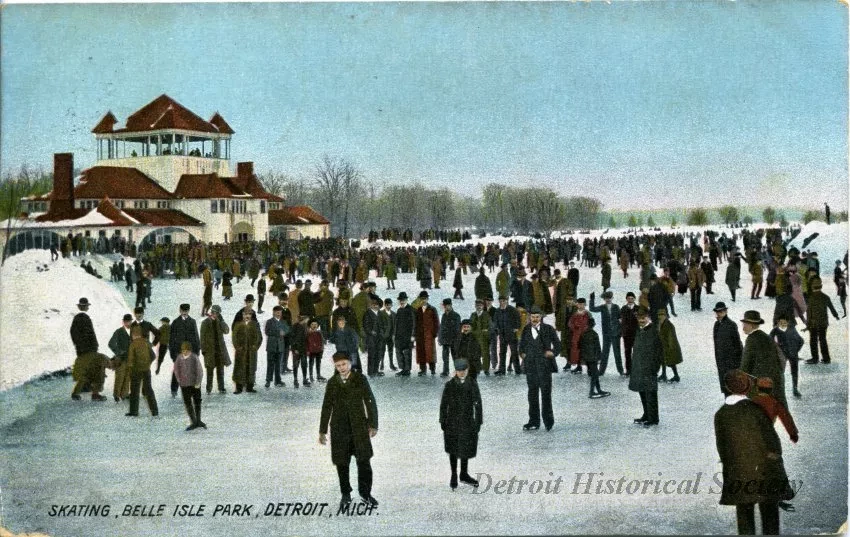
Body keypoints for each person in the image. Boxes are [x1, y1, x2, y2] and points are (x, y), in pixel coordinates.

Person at [714, 369, 794, 535]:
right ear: (747, 387)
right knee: (769, 510)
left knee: (744, 509)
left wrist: (728, 462)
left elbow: (722, 444)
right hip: (764, 470)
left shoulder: (721, 414)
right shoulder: (754, 409)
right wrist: (775, 456)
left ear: (727, 387)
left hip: (738, 470)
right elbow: (770, 438)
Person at [319, 352, 379, 509]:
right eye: (338, 366)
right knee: (342, 462)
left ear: (350, 363)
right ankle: (345, 494)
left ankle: (366, 493)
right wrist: (322, 430)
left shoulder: (360, 379)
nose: (341, 368)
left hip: (359, 427)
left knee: (364, 461)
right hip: (339, 429)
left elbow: (370, 401)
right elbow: (326, 406)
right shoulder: (332, 383)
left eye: (344, 364)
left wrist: (373, 424)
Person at [439, 358, 482, 490]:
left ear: (467, 370)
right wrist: (442, 420)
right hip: (452, 422)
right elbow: (443, 404)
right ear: (455, 371)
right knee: (453, 448)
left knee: (465, 448)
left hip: (467, 421)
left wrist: (478, 421)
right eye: (459, 371)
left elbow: (478, 403)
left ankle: (463, 473)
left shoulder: (472, 384)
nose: (461, 373)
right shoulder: (450, 385)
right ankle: (453, 474)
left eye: (464, 370)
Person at [518, 305, 561, 431]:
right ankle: (534, 421)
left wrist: (553, 353)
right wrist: (523, 354)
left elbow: (558, 344)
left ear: (541, 317)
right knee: (532, 395)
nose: (535, 319)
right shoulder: (526, 329)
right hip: (531, 367)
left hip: (544, 367)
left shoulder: (548, 329)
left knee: (546, 395)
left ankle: (548, 422)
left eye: (537, 317)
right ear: (530, 317)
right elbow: (521, 346)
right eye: (533, 317)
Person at [740, 310, 786, 409]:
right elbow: (781, 358)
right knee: (781, 411)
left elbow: (745, 366)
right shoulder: (766, 337)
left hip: (763, 384)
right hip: (777, 381)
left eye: (745, 324)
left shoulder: (751, 340)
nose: (743, 327)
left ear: (751, 325)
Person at [629, 307, 662, 427]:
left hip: (649, 368)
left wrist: (655, 368)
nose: (641, 320)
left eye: (643, 318)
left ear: (648, 317)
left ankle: (653, 418)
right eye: (639, 318)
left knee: (650, 394)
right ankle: (646, 415)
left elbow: (659, 351)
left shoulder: (653, 331)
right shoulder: (639, 329)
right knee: (642, 391)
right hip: (639, 367)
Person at [70, 297, 107, 401]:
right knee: (98, 371)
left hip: (82, 350)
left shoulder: (77, 319)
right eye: (86, 306)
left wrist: (79, 346)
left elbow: (74, 334)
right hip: (89, 350)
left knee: (85, 371)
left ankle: (79, 391)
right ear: (85, 307)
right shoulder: (84, 318)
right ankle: (95, 394)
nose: (87, 307)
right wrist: (92, 347)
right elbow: (90, 335)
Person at [125, 326, 158, 417]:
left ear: (133, 334)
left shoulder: (133, 344)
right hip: (146, 370)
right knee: (149, 390)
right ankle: (154, 411)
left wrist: (129, 368)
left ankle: (134, 411)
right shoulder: (146, 342)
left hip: (136, 370)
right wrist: (148, 364)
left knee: (134, 391)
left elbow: (130, 359)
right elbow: (153, 356)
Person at [804, 279, 840, 365]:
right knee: (823, 340)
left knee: (813, 341)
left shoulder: (810, 298)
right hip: (823, 323)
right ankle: (826, 358)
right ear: (821, 287)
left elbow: (809, 313)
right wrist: (836, 315)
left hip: (813, 323)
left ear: (812, 287)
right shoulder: (825, 297)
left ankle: (815, 358)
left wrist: (807, 324)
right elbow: (831, 308)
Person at [170, 304, 201, 398]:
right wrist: (173, 353)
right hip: (179, 351)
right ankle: (174, 389)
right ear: (180, 311)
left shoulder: (192, 322)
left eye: (186, 311)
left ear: (188, 311)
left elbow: (196, 336)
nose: (184, 313)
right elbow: (171, 339)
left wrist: (197, 350)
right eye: (183, 311)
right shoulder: (175, 322)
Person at [588, 291, 623, 376]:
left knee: (617, 353)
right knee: (605, 353)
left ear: (612, 298)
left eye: (609, 298)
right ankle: (601, 371)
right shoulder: (602, 307)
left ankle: (620, 370)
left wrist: (620, 330)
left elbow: (620, 319)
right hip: (606, 333)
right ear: (604, 299)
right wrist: (592, 299)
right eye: (606, 298)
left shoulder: (616, 307)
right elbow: (592, 309)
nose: (608, 300)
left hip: (615, 333)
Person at [713, 302, 743, 396]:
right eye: (717, 312)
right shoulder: (716, 325)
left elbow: (738, 344)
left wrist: (738, 361)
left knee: (732, 387)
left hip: (731, 362)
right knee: (726, 387)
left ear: (725, 311)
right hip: (721, 361)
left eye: (721, 311)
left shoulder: (731, 325)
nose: (718, 314)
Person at [199, 305, 230, 394]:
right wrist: (203, 350)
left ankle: (221, 387)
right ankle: (209, 388)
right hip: (209, 351)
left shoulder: (219, 322)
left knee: (220, 370)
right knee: (210, 371)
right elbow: (202, 337)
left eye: (217, 313)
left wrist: (222, 321)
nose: (214, 314)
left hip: (219, 350)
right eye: (214, 312)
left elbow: (227, 331)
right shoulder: (205, 322)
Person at [770, 315, 804, 398]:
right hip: (783, 354)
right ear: (778, 323)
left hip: (791, 354)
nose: (782, 324)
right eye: (781, 323)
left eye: (784, 323)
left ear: (787, 323)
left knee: (793, 372)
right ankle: (781, 389)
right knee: (780, 372)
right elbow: (769, 340)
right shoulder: (776, 330)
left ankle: (795, 389)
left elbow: (801, 340)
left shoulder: (791, 329)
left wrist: (796, 350)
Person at [232, 309, 262, 394]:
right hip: (241, 352)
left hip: (251, 352)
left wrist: (255, 347)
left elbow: (259, 337)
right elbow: (234, 337)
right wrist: (238, 347)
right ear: (242, 315)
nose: (247, 316)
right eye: (245, 314)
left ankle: (250, 387)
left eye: (249, 314)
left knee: (251, 368)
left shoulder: (255, 325)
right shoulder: (238, 324)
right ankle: (239, 388)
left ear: (251, 315)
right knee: (240, 368)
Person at [492, 295, 521, 375]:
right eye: (501, 301)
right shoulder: (497, 311)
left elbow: (518, 319)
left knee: (514, 352)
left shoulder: (512, 310)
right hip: (502, 335)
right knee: (502, 353)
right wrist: (497, 329)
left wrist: (516, 328)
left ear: (507, 301)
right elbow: (495, 321)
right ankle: (502, 370)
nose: (502, 303)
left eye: (504, 301)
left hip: (511, 335)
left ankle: (517, 370)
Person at [580, 317, 609, 399]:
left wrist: (583, 358)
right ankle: (592, 392)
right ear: (593, 325)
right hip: (593, 358)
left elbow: (580, 347)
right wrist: (599, 358)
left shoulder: (583, 334)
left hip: (587, 358)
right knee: (594, 375)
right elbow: (598, 347)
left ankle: (598, 390)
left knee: (594, 374)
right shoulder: (594, 334)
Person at [108, 314, 133, 402]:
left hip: (131, 359)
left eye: (129, 321)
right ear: (123, 322)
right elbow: (111, 344)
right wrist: (118, 352)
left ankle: (124, 394)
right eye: (126, 321)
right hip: (121, 359)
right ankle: (116, 395)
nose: (128, 323)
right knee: (119, 377)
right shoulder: (118, 332)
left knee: (127, 377)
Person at [414, 291, 440, 376]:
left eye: (425, 299)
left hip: (429, 335)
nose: (423, 301)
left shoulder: (432, 309)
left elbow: (436, 322)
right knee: (421, 352)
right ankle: (423, 369)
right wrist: (415, 333)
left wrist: (435, 333)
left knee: (430, 353)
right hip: (420, 335)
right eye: (422, 299)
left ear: (427, 299)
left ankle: (432, 369)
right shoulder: (418, 310)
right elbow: (415, 322)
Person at [264, 306, 289, 388]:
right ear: (273, 312)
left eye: (280, 312)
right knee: (270, 364)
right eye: (277, 312)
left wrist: (284, 332)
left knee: (278, 364)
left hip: (280, 346)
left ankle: (278, 380)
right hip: (271, 346)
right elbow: (267, 331)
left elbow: (287, 330)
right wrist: (278, 332)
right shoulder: (269, 322)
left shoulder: (284, 322)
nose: (279, 313)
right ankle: (268, 380)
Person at [656, 309, 683, 383]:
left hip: (669, 346)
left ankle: (676, 376)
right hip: (663, 345)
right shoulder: (659, 324)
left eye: (662, 315)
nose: (660, 317)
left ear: (665, 316)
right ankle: (664, 374)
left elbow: (671, 337)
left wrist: (670, 347)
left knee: (671, 362)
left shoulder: (669, 325)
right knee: (663, 360)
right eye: (659, 315)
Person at [567, 298, 591, 374]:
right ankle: (578, 366)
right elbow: (570, 323)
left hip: (585, 335)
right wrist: (574, 327)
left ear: (585, 305)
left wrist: (587, 328)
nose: (581, 306)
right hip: (576, 335)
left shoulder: (587, 313)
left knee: (586, 350)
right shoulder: (575, 314)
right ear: (577, 305)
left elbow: (591, 323)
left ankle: (590, 367)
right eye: (579, 304)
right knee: (577, 350)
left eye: (582, 304)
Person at [393, 292, 415, 377]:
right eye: (400, 300)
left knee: (407, 353)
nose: (401, 302)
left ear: (406, 300)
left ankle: (407, 370)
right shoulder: (399, 310)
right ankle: (402, 369)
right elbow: (396, 324)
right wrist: (394, 334)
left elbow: (414, 323)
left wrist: (413, 335)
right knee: (399, 352)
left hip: (408, 336)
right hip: (399, 336)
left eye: (403, 300)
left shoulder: (411, 310)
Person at [438, 298, 461, 377]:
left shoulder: (456, 316)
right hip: (445, 340)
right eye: (445, 306)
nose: (446, 307)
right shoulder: (444, 315)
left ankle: (458, 371)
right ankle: (445, 371)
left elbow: (458, 329)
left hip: (453, 340)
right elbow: (441, 328)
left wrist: (457, 341)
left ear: (451, 305)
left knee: (455, 357)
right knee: (445, 357)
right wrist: (440, 338)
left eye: (447, 305)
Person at [362, 295, 383, 377]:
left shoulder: (380, 313)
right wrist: (371, 332)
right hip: (371, 338)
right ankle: (371, 372)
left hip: (379, 337)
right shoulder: (367, 313)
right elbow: (365, 325)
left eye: (377, 304)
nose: (375, 306)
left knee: (378, 354)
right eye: (373, 304)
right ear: (371, 305)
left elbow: (382, 324)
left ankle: (376, 370)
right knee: (372, 355)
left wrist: (382, 332)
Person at [469, 299, 492, 376]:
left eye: (480, 305)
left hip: (484, 338)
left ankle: (486, 369)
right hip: (475, 337)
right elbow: (470, 325)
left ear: (483, 306)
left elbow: (490, 326)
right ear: (475, 306)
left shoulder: (487, 315)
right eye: (477, 305)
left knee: (485, 354)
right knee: (476, 354)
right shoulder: (473, 315)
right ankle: (477, 368)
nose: (479, 307)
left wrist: (487, 332)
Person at [620, 292, 638, 375]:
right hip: (626, 334)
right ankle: (628, 370)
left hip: (636, 334)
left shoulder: (639, 308)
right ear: (626, 299)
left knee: (637, 353)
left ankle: (636, 370)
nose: (630, 300)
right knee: (627, 353)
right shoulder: (623, 308)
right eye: (629, 298)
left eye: (632, 298)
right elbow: (620, 320)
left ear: (634, 299)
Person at [290, 314, 310, 387]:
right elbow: (292, 339)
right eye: (306, 319)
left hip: (304, 349)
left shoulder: (306, 327)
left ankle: (304, 380)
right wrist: (294, 349)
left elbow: (307, 339)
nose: (307, 321)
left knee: (304, 365)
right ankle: (295, 380)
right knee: (296, 365)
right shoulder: (295, 326)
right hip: (296, 349)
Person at [377, 298, 396, 372]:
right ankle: (381, 364)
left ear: (391, 305)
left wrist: (394, 334)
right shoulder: (380, 313)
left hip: (391, 336)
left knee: (391, 350)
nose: (388, 306)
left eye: (390, 305)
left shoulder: (394, 314)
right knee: (382, 350)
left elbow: (395, 325)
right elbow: (379, 325)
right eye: (387, 305)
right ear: (384, 305)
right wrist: (382, 334)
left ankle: (391, 364)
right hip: (383, 336)